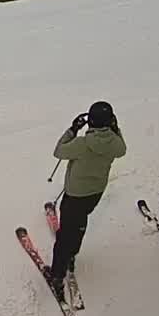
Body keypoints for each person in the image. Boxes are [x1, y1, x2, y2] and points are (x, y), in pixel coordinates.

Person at [47, 100, 127, 295]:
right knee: (81, 222)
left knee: (65, 233)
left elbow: (58, 151)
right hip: (95, 193)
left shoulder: (82, 144)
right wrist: (115, 129)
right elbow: (122, 148)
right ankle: (72, 254)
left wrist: (72, 130)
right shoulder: (115, 144)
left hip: (75, 194)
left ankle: (57, 275)